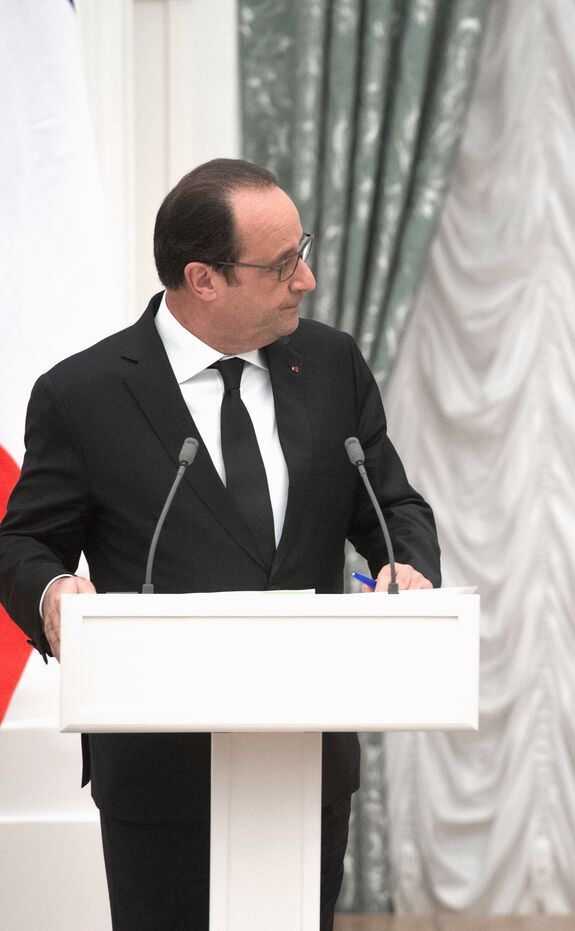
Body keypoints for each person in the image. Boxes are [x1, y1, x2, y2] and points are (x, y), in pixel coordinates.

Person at [0, 158, 440, 930]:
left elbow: (390, 503)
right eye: (281, 264)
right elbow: (24, 541)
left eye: (301, 249)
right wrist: (52, 592)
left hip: (305, 754)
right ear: (203, 279)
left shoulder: (331, 364)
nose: (306, 279)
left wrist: (408, 564)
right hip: (158, 763)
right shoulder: (85, 394)